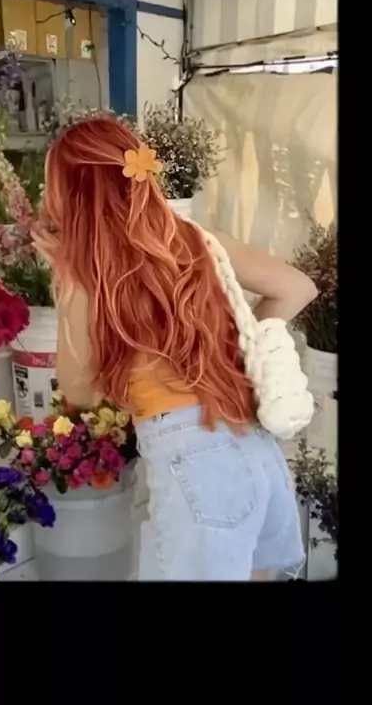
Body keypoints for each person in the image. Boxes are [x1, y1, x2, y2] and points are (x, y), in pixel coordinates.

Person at [33, 115, 317, 581]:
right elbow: (297, 287)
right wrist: (241, 342)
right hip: (255, 446)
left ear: (76, 196)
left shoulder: (90, 278)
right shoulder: (201, 240)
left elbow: (80, 392)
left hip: (195, 462)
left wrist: (67, 285)